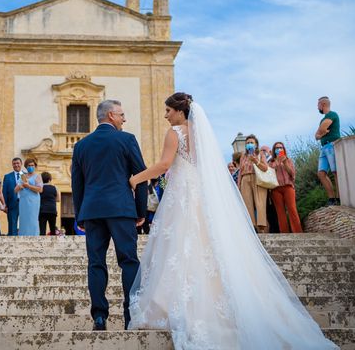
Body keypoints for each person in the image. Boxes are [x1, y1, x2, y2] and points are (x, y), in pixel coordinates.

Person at [127, 92, 337, 349]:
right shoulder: (201, 133)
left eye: (168, 110)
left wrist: (136, 178)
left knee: (182, 245)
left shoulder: (176, 133)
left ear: (180, 111)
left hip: (182, 194)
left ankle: (181, 305)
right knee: (206, 245)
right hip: (202, 195)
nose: (165, 115)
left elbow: (163, 165)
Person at [71, 99, 148, 331]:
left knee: (96, 263)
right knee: (129, 261)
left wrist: (80, 215)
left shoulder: (81, 145)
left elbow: (77, 183)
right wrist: (140, 211)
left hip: (93, 211)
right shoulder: (127, 140)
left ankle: (99, 316)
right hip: (121, 209)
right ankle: (130, 315)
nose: (125, 119)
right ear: (111, 116)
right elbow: (141, 175)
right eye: (122, 115)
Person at [237, 134, 269, 233]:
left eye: (251, 142)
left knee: (260, 203)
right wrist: (239, 185)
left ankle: (262, 228)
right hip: (245, 179)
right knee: (247, 204)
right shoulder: (243, 156)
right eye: (247, 143)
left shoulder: (260, 154)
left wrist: (256, 161)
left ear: (256, 144)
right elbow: (240, 171)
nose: (249, 144)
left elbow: (265, 168)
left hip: (258, 178)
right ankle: (252, 227)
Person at [270, 142, 303, 234]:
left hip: (288, 187)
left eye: (281, 147)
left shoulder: (288, 160)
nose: (279, 149)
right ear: (274, 150)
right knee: (280, 212)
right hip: (276, 189)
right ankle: (284, 233)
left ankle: (298, 232)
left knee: (292, 209)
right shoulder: (271, 162)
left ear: (284, 149)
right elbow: (270, 174)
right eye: (277, 148)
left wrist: (284, 163)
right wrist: (278, 163)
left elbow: (292, 174)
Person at [315, 96, 341, 206]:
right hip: (324, 148)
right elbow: (316, 136)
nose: (317, 107)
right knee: (321, 173)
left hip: (331, 145)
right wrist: (322, 133)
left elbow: (320, 130)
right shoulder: (323, 119)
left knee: (336, 172)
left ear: (323, 104)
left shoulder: (332, 115)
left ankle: (340, 198)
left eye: (318, 105)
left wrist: (322, 132)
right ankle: (332, 199)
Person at [2, 157, 23, 236]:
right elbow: (4, 192)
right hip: (12, 204)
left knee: (24, 223)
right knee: (12, 224)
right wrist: (5, 205)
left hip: (24, 204)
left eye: (18, 163)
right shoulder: (7, 176)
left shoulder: (26, 175)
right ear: (12, 165)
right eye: (14, 163)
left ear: (21, 164)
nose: (16, 165)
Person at [39, 171, 60, 235]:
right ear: (49, 179)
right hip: (52, 210)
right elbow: (58, 199)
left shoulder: (39, 188)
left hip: (42, 210)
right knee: (52, 229)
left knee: (42, 230)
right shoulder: (55, 188)